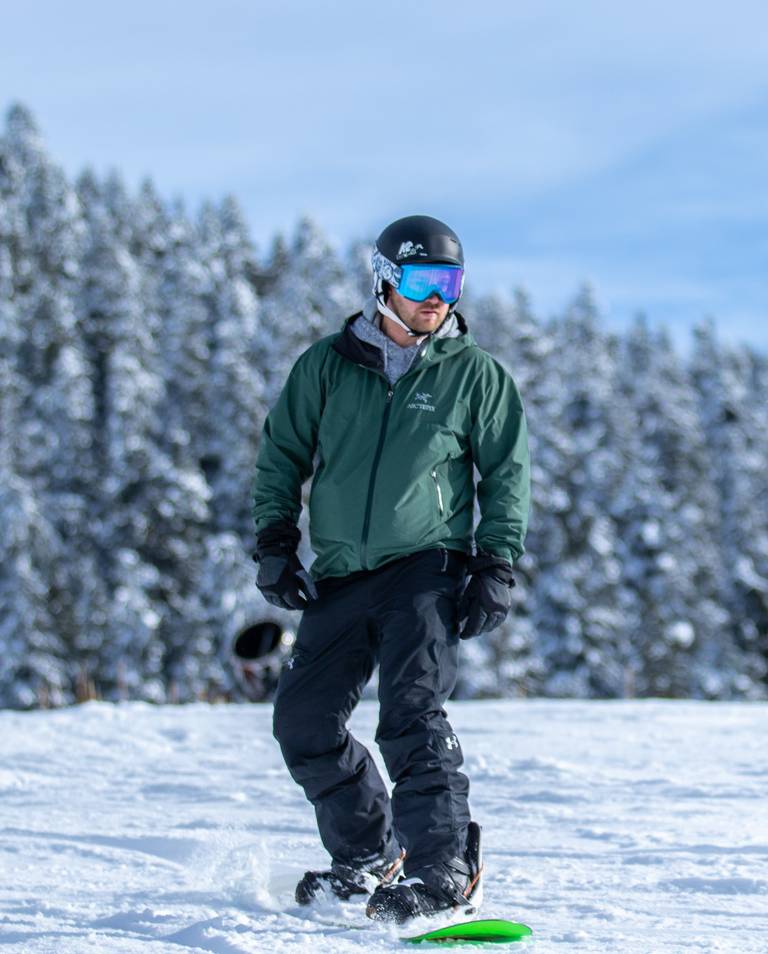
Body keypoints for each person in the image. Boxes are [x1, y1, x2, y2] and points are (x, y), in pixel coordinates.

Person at [251, 214, 530, 924]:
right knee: (304, 723)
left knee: (410, 714)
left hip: (426, 568)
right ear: (384, 281)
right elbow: (282, 455)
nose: (437, 297)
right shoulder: (326, 366)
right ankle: (368, 857)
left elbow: (506, 476)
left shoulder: (475, 375)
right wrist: (276, 542)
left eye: (450, 283)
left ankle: (444, 870)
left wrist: (495, 563)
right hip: (342, 572)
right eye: (422, 280)